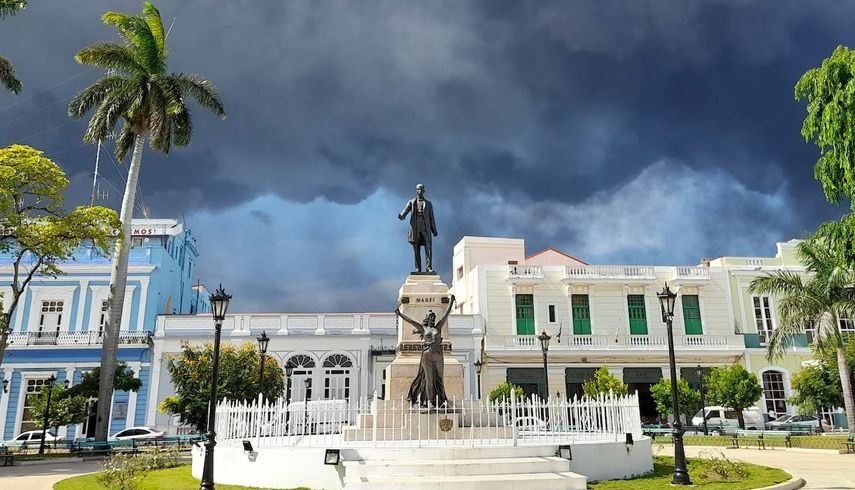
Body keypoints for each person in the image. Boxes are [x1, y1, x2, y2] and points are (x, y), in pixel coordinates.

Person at [395, 295, 455, 407]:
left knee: (440, 379)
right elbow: (411, 321)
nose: (433, 318)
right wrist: (400, 315)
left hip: (438, 354)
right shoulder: (423, 328)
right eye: (430, 317)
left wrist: (451, 302)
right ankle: (430, 402)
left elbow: (446, 314)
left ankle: (442, 401)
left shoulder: (438, 327)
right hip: (427, 354)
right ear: (427, 318)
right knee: (429, 380)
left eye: (434, 316)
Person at [398, 183, 438, 273]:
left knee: (428, 248)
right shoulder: (412, 202)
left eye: (421, 189)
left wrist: (434, 230)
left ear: (424, 191)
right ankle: (418, 268)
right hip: (415, 227)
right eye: (418, 189)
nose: (419, 191)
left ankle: (428, 267)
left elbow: (431, 217)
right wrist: (401, 216)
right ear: (416, 191)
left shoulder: (428, 203)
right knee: (416, 249)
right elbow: (405, 211)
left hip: (425, 227)